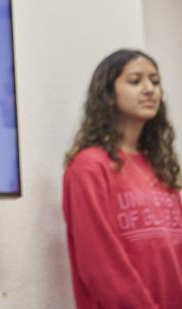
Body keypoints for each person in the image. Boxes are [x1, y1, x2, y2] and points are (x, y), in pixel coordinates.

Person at [63, 49, 182, 309]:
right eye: (135, 80)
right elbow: (99, 264)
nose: (149, 89)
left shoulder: (159, 166)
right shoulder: (90, 166)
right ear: (107, 95)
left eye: (155, 81)